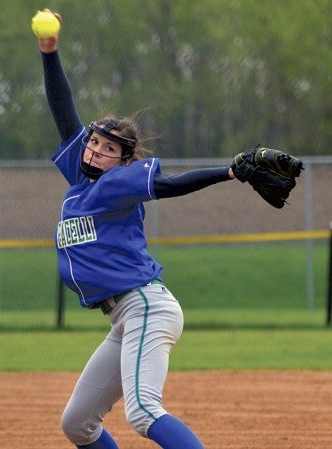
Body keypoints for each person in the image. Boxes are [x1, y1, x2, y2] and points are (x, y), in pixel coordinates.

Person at [35, 9, 236, 449]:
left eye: (110, 149)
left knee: (143, 410)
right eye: (94, 142)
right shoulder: (79, 180)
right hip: (121, 317)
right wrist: (49, 52)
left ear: (125, 161)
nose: (96, 150)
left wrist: (228, 172)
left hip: (146, 307)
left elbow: (169, 184)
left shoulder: (116, 183)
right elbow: (63, 110)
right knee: (77, 423)